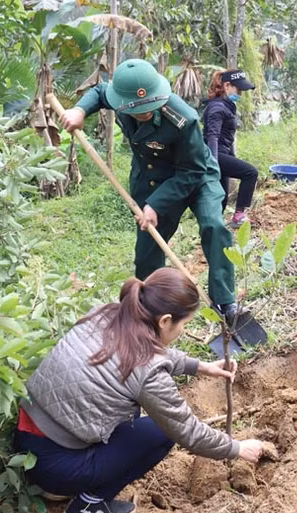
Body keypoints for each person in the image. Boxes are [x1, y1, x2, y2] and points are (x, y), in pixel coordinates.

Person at [15, 268, 266, 513]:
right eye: (185, 324)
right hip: (57, 466)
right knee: (160, 432)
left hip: (27, 448)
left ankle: (54, 487)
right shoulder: (148, 370)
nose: (182, 330)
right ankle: (90, 503)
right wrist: (237, 448)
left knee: (130, 411)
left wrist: (200, 366)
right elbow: (188, 432)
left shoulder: (108, 313)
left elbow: (144, 349)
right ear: (165, 321)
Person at [59, 59, 241, 321]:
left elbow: (191, 171)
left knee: (214, 226)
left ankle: (226, 303)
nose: (145, 112)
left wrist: (156, 204)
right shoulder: (120, 97)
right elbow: (99, 92)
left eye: (150, 106)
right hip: (152, 178)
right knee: (147, 247)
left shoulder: (184, 119)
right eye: (138, 110)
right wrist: (79, 110)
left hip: (197, 175)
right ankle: (148, 311)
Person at [202, 69, 258, 228]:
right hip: (215, 155)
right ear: (227, 86)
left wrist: (231, 157)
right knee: (250, 172)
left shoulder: (226, 106)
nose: (240, 93)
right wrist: (213, 164)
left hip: (222, 154)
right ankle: (239, 215)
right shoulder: (217, 108)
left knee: (222, 199)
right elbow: (212, 136)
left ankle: (214, 228)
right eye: (238, 89)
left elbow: (227, 139)